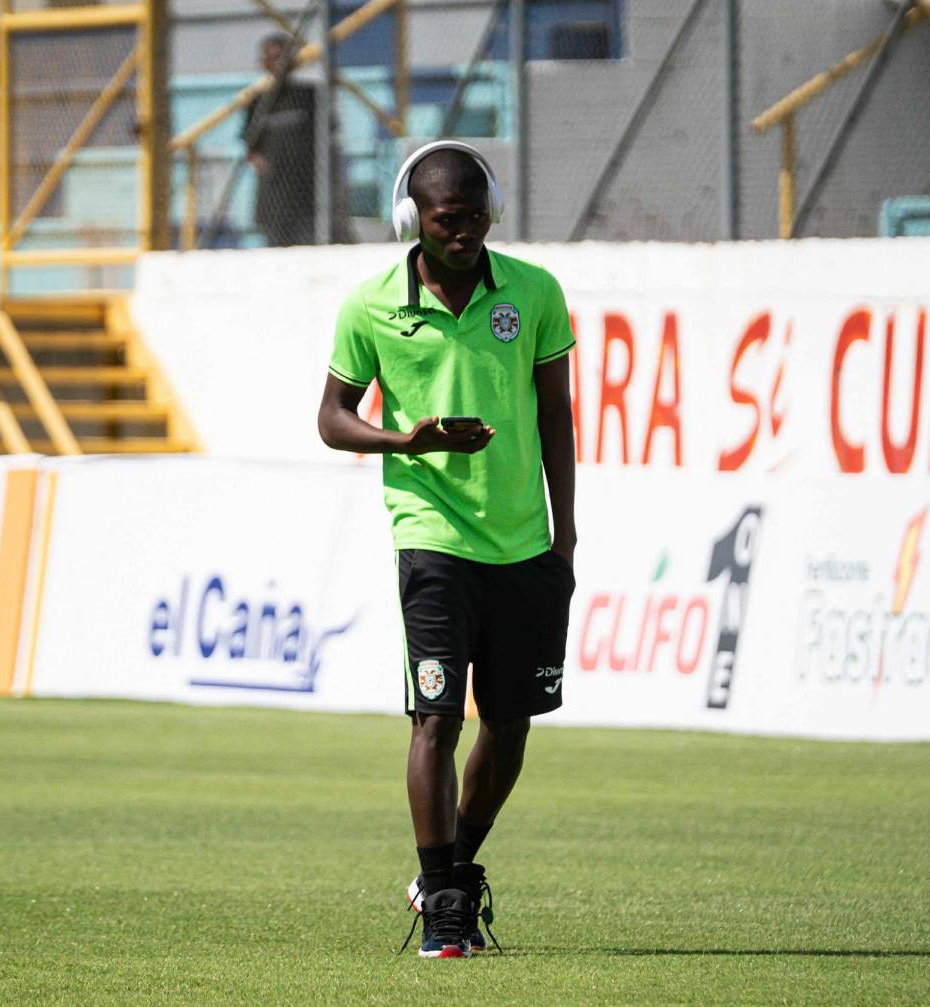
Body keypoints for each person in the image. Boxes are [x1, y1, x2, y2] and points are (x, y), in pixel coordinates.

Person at [317, 141, 577, 959]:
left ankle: (454, 867)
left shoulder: (535, 292)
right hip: (431, 540)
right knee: (435, 718)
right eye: (445, 219)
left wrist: (564, 532)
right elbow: (331, 416)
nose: (463, 232)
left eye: (474, 216)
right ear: (412, 220)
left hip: (525, 544)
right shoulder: (370, 306)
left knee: (509, 727)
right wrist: (407, 438)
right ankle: (445, 907)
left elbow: (558, 420)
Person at [242, 33, 315, 247]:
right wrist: (263, 165)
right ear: (263, 63)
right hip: (274, 191)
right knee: (276, 245)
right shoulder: (258, 101)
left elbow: (327, 136)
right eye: (272, 58)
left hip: (306, 187)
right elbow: (249, 146)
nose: (279, 64)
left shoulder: (308, 96)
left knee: (308, 244)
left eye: (282, 57)